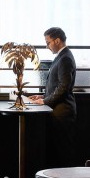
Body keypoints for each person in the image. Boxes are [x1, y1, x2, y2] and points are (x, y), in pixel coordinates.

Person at [29, 26, 76, 166]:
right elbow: (56, 84)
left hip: (62, 112)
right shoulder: (61, 57)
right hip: (58, 111)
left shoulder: (65, 58)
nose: (47, 46)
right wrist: (41, 96)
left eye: (48, 42)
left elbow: (63, 87)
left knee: (63, 152)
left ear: (57, 41)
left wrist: (45, 101)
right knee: (56, 151)